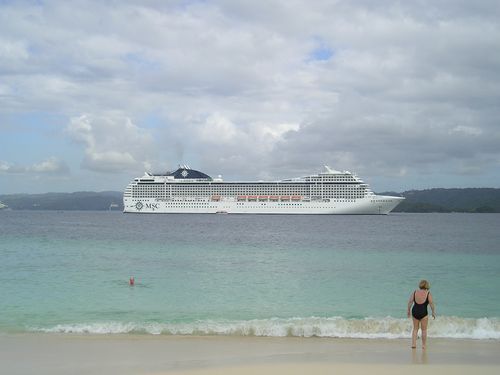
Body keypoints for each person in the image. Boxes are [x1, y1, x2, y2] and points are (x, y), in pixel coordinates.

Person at [407, 279, 436, 349]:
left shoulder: (415, 292)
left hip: (415, 311)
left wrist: (408, 310)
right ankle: (423, 345)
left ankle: (413, 344)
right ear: (427, 285)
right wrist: (433, 312)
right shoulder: (428, 293)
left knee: (415, 329)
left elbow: (410, 302)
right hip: (423, 312)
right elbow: (431, 303)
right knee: (424, 330)